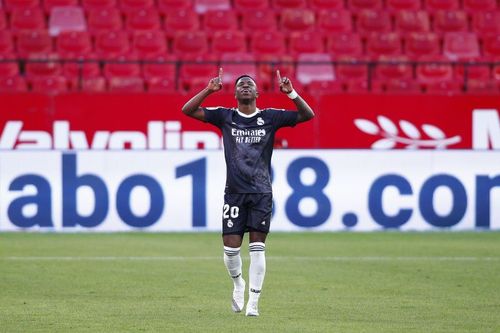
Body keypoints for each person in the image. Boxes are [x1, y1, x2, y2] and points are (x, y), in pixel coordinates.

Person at [181, 68, 315, 317]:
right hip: (234, 193)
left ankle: (254, 301)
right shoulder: (225, 116)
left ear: (257, 93)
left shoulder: (271, 117)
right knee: (230, 250)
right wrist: (209, 90)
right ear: (234, 94)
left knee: (257, 248)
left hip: (261, 193)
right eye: (240, 84)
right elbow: (187, 111)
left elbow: (308, 115)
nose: (244, 86)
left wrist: (292, 93)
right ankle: (238, 284)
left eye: (249, 84)